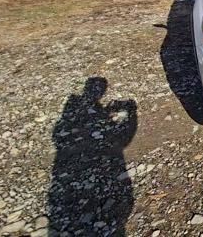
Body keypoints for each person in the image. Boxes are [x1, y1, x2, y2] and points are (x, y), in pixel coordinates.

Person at [48, 77, 137, 236]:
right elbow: (126, 138)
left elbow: (57, 136)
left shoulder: (71, 111)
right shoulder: (76, 110)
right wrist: (131, 112)